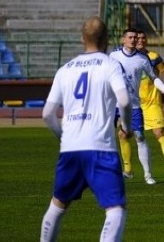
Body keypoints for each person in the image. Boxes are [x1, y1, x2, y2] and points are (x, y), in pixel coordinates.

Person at [39, 16, 132, 242]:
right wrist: (126, 126)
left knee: (58, 205)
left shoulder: (65, 69)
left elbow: (47, 114)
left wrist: (64, 137)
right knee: (115, 209)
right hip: (101, 148)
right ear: (107, 39)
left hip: (71, 149)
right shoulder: (110, 65)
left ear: (82, 39)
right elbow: (125, 101)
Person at [110, 27, 164, 185]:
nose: (133, 40)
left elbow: (154, 78)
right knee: (105, 137)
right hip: (113, 104)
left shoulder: (142, 59)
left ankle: (147, 175)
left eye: (135, 37)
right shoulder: (113, 56)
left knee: (140, 137)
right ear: (123, 40)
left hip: (134, 106)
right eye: (130, 37)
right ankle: (120, 171)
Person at [136, 31, 164, 179]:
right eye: (138, 38)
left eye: (143, 37)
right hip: (134, 105)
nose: (140, 40)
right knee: (125, 135)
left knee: (159, 133)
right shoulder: (125, 58)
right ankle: (127, 170)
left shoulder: (153, 57)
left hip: (152, 104)